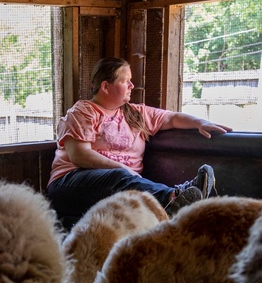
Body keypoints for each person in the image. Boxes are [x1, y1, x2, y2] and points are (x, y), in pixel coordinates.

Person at [46, 57, 231, 229]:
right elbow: (79, 155)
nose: (132, 86)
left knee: (120, 179)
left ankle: (178, 209)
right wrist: (121, 167)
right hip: (70, 185)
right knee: (117, 176)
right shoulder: (84, 111)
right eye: (125, 81)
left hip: (124, 184)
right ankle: (174, 197)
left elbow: (172, 118)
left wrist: (200, 122)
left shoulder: (135, 113)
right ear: (105, 86)